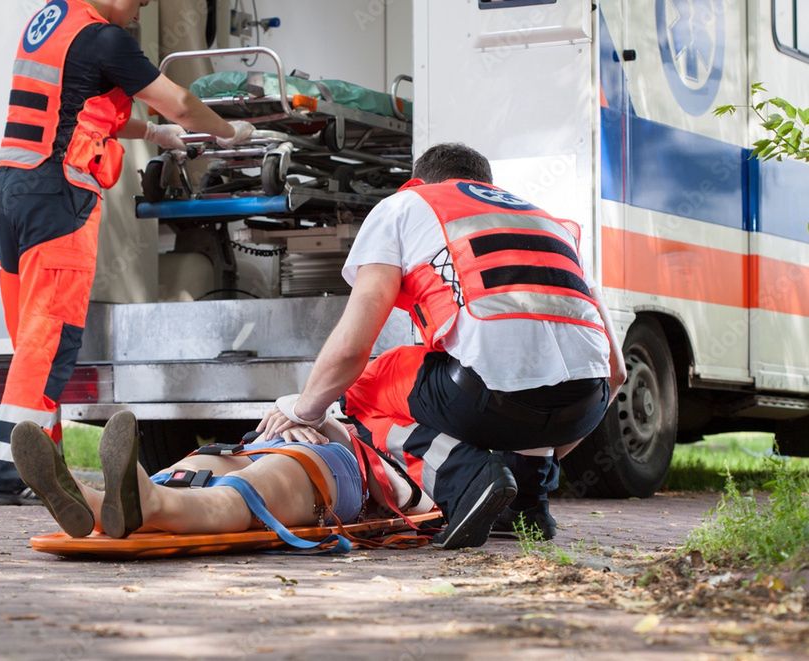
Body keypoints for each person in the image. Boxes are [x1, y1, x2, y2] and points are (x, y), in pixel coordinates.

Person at [258, 143, 627, 548]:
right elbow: (616, 371)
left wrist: (303, 411)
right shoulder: (550, 224)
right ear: (488, 187)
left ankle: (464, 478)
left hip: (488, 400)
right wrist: (539, 454)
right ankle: (527, 504)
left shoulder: (405, 205)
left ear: (415, 183)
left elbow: (352, 348)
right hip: (586, 404)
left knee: (366, 382)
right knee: (526, 374)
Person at [0, 0, 254, 505]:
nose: (143, 7)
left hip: (12, 188)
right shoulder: (105, 38)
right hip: (57, 193)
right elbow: (180, 102)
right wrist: (227, 131)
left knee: (29, 342)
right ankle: (7, 475)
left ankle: (39, 463)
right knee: (50, 337)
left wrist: (151, 133)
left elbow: (77, 104)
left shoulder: (52, 22)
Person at [9, 411, 434, 541]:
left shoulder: (429, 423)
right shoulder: (405, 382)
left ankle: (134, 501)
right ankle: (116, 500)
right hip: (260, 442)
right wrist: (298, 409)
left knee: (245, 484)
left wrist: (324, 424)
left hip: (331, 456)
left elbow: (417, 501)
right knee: (199, 472)